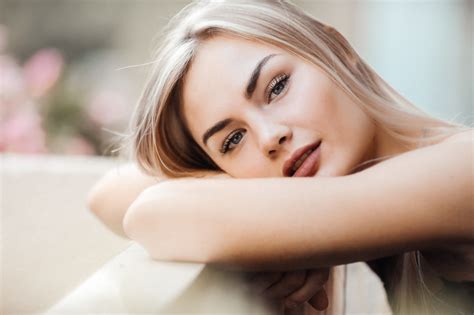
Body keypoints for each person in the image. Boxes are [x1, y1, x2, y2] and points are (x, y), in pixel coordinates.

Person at [88, 0, 473, 314]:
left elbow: (151, 213)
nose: (270, 137)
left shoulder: (462, 167)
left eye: (277, 87)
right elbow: (107, 195)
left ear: (338, 50)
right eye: (232, 140)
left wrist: (268, 215)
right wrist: (267, 207)